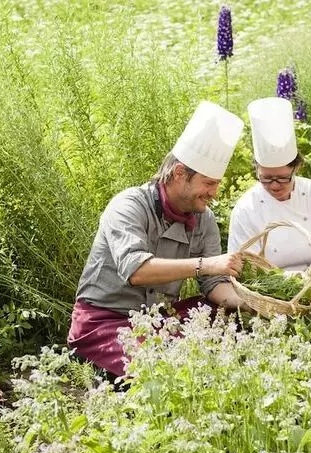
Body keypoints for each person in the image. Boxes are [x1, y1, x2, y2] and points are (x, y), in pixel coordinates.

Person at [68, 101, 249, 379]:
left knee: (227, 318)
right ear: (179, 174)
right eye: (209, 183)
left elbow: (213, 285)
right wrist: (207, 264)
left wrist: (251, 303)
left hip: (160, 317)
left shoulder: (204, 218)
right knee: (163, 370)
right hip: (106, 321)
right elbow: (137, 271)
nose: (215, 192)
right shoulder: (128, 206)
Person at [228, 97, 311, 321]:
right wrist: (282, 281)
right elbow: (243, 264)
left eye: (282, 178)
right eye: (266, 179)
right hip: (271, 288)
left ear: (296, 167)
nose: (274, 186)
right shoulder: (246, 208)